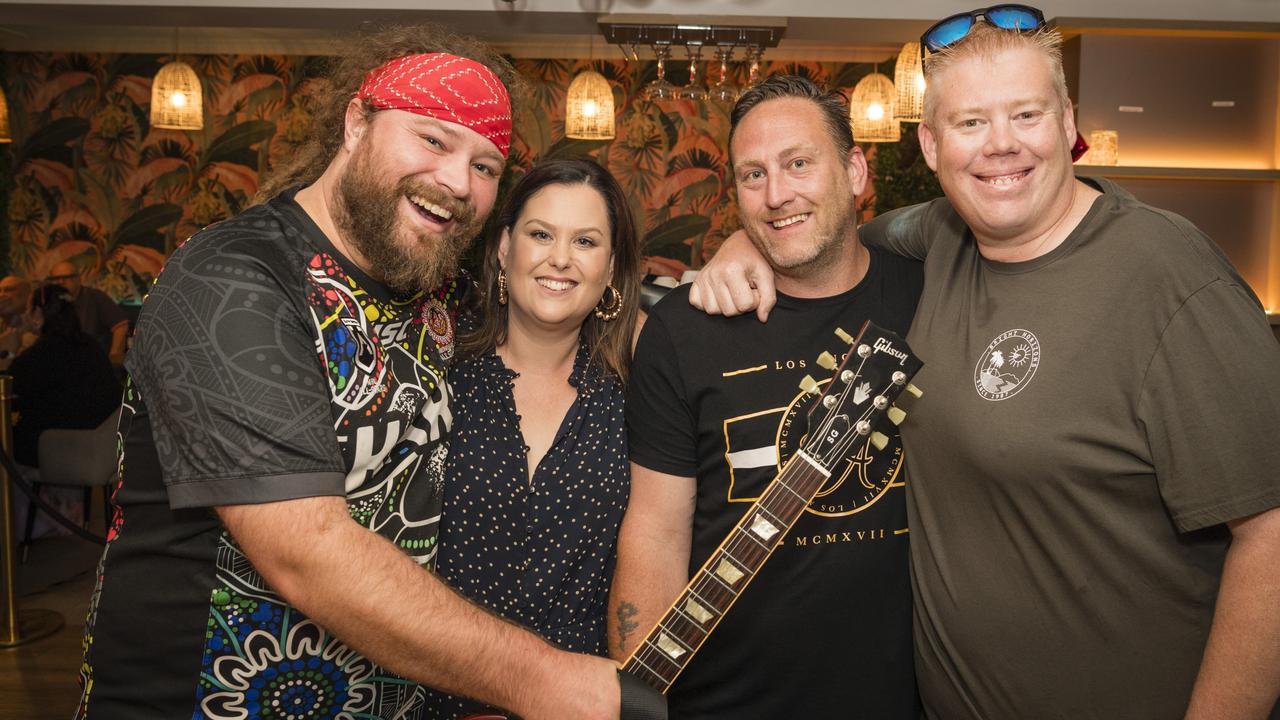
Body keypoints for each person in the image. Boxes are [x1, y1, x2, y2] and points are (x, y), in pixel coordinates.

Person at [691, 10, 1280, 719]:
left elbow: (1270, 536)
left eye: (1025, 114)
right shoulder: (938, 239)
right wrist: (749, 243)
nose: (1001, 146)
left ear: (1067, 123)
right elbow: (825, 234)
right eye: (971, 124)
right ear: (933, 147)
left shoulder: (1168, 277)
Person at [76, 26, 658, 720]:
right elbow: (308, 552)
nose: (455, 181)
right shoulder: (236, 278)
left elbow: (562, 295)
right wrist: (544, 680)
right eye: (433, 140)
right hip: (203, 699)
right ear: (356, 123)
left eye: (484, 166)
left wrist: (754, 259)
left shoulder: (434, 289)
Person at [610, 75, 923, 719]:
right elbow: (655, 532)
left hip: (910, 698)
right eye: (753, 175)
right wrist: (635, 697)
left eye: (799, 163)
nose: (777, 195)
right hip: (724, 701)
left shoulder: (934, 296)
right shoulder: (684, 331)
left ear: (856, 170)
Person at [423, 158, 641, 717]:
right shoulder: (435, 371)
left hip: (582, 704)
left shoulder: (642, 394)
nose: (560, 259)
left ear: (611, 267)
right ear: (503, 247)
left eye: (586, 242)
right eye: (541, 234)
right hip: (432, 699)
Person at [10, 284, 119, 467]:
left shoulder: (38, 355)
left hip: (56, 450)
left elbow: (12, 392)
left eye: (29, 310)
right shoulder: (91, 347)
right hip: (102, 449)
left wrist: (12, 348)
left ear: (37, 314)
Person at [46, 261, 129, 366]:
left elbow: (121, 324)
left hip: (93, 362)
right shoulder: (52, 302)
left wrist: (114, 356)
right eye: (55, 279)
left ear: (78, 279)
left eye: (66, 277)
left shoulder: (95, 297)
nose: (60, 282)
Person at [0, 275, 38, 370]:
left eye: (9, 290)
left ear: (28, 295)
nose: (2, 295)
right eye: (0, 291)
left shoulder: (35, 328)